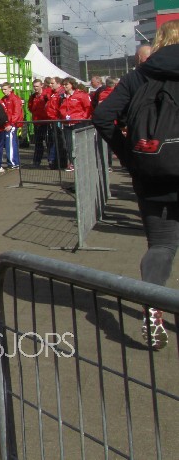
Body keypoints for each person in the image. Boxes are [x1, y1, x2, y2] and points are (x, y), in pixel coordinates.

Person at [93, 20, 179, 349]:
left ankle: (153, 305)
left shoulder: (138, 75)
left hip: (151, 169)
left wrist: (130, 157)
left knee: (162, 244)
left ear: (158, 42)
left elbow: (102, 116)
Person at [57, 78, 92, 172]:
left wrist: (83, 118)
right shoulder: (62, 97)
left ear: (72, 85)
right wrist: (63, 117)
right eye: (63, 85)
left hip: (78, 122)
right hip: (67, 123)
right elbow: (59, 108)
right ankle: (72, 163)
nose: (64, 86)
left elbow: (88, 108)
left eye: (66, 84)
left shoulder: (81, 95)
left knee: (79, 143)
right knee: (69, 144)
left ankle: (82, 162)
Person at [27, 79, 52, 168]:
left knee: (48, 142)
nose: (35, 88)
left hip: (46, 121)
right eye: (34, 86)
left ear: (41, 85)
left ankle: (51, 161)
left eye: (37, 86)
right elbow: (30, 107)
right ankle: (36, 161)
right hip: (37, 122)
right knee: (38, 143)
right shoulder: (33, 96)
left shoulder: (46, 95)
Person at [1, 81, 25, 169]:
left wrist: (11, 124)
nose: (4, 91)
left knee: (10, 144)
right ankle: (14, 162)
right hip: (8, 124)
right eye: (2, 89)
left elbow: (17, 112)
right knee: (11, 143)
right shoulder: (4, 99)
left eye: (5, 89)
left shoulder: (14, 99)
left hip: (12, 124)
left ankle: (13, 163)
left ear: (10, 89)